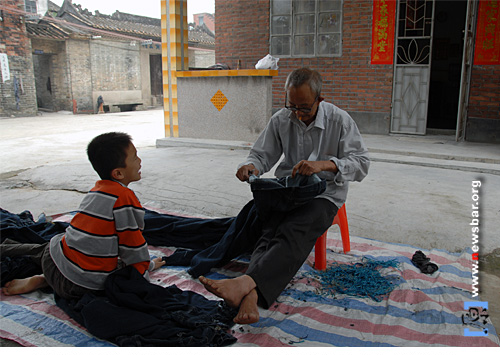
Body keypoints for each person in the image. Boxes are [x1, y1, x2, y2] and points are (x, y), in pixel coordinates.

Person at [199, 68, 370, 324]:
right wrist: (251, 167)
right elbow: (261, 154)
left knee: (294, 228)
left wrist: (324, 165)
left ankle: (247, 284)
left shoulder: (339, 120)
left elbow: (361, 164)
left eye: (304, 108)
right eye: (292, 107)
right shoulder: (282, 119)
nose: (298, 114)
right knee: (269, 228)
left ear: (319, 100)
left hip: (325, 194)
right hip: (289, 189)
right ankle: (251, 294)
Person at [1, 132, 164, 299]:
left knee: (55, 243)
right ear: (118, 174)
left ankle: (42, 274)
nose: (140, 161)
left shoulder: (95, 191)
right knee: (108, 268)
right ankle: (44, 280)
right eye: (135, 157)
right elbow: (132, 247)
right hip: (79, 287)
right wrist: (143, 275)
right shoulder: (125, 198)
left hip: (52, 262)